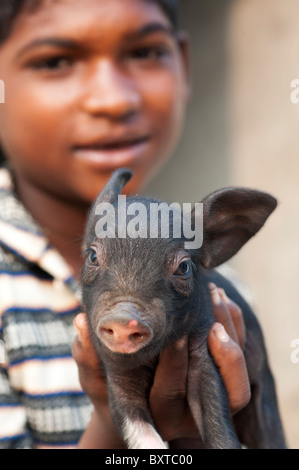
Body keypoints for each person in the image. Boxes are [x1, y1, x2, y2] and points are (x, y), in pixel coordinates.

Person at [0, 0, 250, 449]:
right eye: (55, 61)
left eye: (145, 53)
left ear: (185, 66)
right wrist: (113, 421)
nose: (114, 99)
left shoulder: (214, 288)